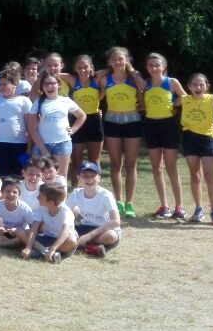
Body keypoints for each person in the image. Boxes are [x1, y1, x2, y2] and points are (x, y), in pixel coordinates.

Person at [98, 47, 144, 217]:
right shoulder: (105, 79)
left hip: (132, 121)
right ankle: (118, 201)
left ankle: (129, 203)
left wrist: (132, 70)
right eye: (114, 59)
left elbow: (143, 90)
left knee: (131, 164)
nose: (117, 62)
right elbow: (96, 95)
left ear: (127, 60)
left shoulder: (134, 78)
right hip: (112, 122)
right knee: (115, 163)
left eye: (121, 59)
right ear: (109, 61)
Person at [142, 53, 186, 220]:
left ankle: (179, 206)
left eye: (157, 65)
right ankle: (164, 206)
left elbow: (185, 98)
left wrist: (174, 104)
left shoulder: (171, 82)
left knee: (171, 167)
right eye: (150, 65)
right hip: (151, 126)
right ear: (147, 67)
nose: (153, 68)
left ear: (163, 67)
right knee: (156, 167)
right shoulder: (145, 84)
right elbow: (143, 104)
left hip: (169, 126)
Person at [26, 71, 85, 180]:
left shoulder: (66, 101)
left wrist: (73, 129)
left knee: (60, 177)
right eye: (46, 84)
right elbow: (32, 129)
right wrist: (43, 149)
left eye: (52, 83)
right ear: (42, 87)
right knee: (39, 176)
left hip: (62, 143)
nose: (49, 86)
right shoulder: (38, 103)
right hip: (41, 144)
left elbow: (81, 116)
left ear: (59, 85)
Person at [181, 73, 213, 224]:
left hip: (207, 139)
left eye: (201, 84)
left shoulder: (212, 99)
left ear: (207, 86)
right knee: (194, 175)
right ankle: (198, 210)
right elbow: (167, 105)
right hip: (190, 138)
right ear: (189, 87)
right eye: (194, 84)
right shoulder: (184, 99)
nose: (198, 87)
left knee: (209, 175)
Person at [0, 70, 32, 177]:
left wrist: (30, 147)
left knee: (21, 175)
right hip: (0, 144)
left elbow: (30, 125)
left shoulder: (24, 101)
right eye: (0, 84)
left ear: (15, 84)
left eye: (5, 84)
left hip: (20, 145)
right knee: (2, 175)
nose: (2, 87)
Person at [68, 162, 121, 257]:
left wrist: (90, 235)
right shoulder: (75, 193)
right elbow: (64, 214)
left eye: (93, 176)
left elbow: (116, 221)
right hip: (85, 227)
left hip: (104, 229)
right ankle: (90, 247)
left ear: (99, 178)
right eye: (85, 176)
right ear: (79, 177)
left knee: (110, 236)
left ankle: (80, 244)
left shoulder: (106, 195)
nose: (89, 179)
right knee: (66, 232)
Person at [69, 55, 104, 186]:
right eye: (79, 67)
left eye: (85, 67)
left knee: (94, 160)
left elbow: (111, 69)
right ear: (75, 69)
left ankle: (96, 190)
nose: (82, 70)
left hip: (94, 121)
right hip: (77, 121)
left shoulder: (97, 80)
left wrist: (96, 73)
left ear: (91, 67)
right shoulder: (73, 80)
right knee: (76, 161)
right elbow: (54, 72)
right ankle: (74, 190)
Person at [23, 182, 77, 263]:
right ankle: (46, 252)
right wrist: (28, 247)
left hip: (63, 242)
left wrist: (53, 248)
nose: (37, 197)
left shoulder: (65, 212)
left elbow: (65, 233)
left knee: (72, 241)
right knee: (25, 232)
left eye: (40, 197)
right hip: (48, 238)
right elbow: (34, 229)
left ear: (51, 202)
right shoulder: (41, 208)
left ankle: (44, 251)